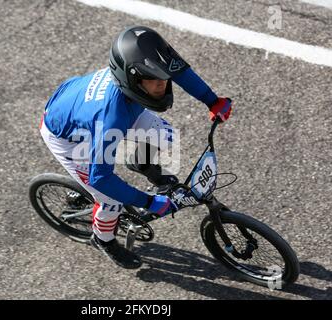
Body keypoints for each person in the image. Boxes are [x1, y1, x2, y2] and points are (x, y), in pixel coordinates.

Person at [39, 25, 232, 269]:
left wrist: (213, 101)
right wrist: (149, 202)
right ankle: (103, 239)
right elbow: (101, 178)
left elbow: (180, 72)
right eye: (153, 80)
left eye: (163, 77)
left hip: (79, 105)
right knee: (111, 201)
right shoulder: (112, 120)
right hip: (68, 136)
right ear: (132, 80)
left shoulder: (138, 73)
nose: (162, 85)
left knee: (166, 134)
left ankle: (142, 163)